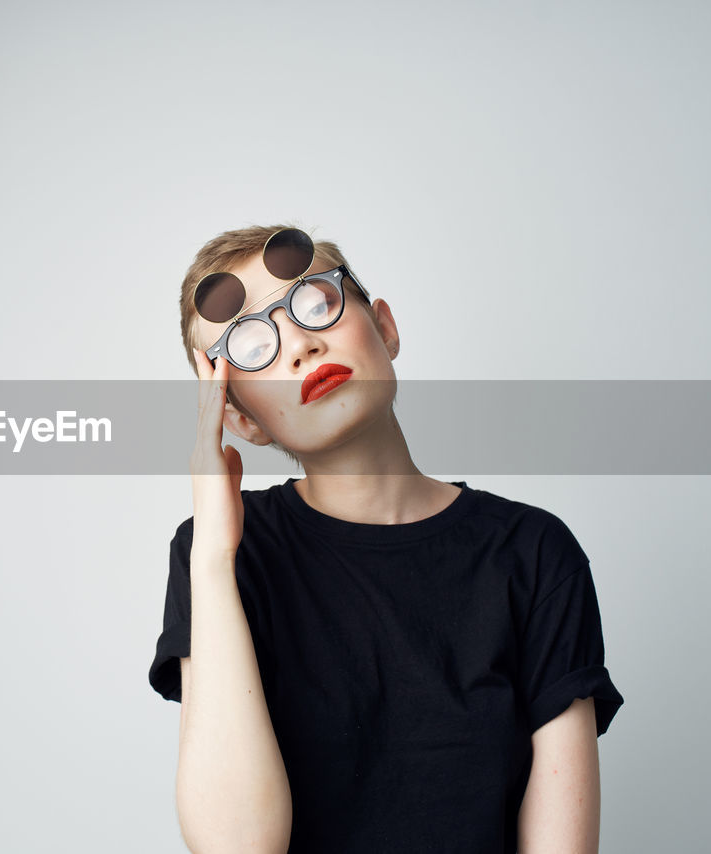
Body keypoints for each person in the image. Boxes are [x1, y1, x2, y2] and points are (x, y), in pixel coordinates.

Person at [148, 224, 624, 853]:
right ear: (238, 418)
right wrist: (212, 556)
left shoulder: (533, 553)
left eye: (314, 301)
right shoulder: (222, 554)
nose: (300, 347)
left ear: (385, 328)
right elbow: (238, 848)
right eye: (252, 343)